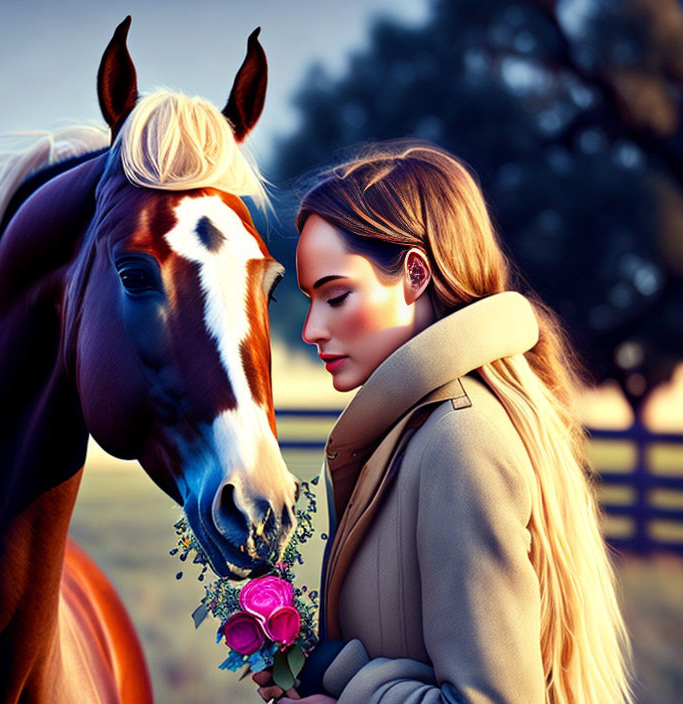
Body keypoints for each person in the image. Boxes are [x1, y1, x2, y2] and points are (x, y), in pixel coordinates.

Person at [255, 140, 632, 703]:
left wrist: (347, 688)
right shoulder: (415, 432)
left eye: (336, 297)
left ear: (414, 274)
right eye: (310, 299)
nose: (310, 329)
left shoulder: (461, 439)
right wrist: (317, 664)